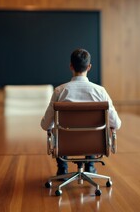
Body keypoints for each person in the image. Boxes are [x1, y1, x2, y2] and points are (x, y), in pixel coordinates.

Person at [41, 48, 121, 176]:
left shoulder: (59, 91)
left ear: (71, 66)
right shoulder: (100, 91)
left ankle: (63, 168)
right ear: (89, 67)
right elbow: (116, 124)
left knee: (57, 130)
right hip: (94, 145)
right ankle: (90, 165)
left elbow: (45, 126)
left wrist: (49, 127)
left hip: (65, 145)